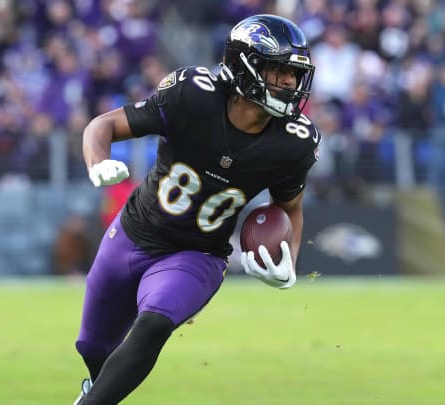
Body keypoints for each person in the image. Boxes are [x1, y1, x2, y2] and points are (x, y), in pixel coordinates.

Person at [73, 14, 320, 404]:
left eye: (294, 74)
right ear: (246, 65)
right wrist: (97, 160)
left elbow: (289, 207)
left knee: (153, 322)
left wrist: (290, 259)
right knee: (92, 347)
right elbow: (101, 126)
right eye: (278, 70)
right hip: (134, 233)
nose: (290, 83)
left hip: (198, 253)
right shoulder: (193, 94)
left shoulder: (294, 141)